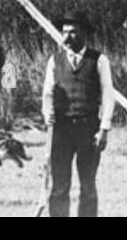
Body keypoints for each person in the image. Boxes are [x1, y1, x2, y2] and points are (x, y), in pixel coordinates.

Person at [41, 14, 116, 217]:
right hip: (61, 131)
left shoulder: (99, 60)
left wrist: (104, 129)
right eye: (64, 32)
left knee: (88, 187)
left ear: (84, 33)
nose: (67, 37)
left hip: (88, 129)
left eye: (73, 32)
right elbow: (47, 93)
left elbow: (108, 95)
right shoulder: (54, 60)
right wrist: (47, 112)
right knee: (59, 187)